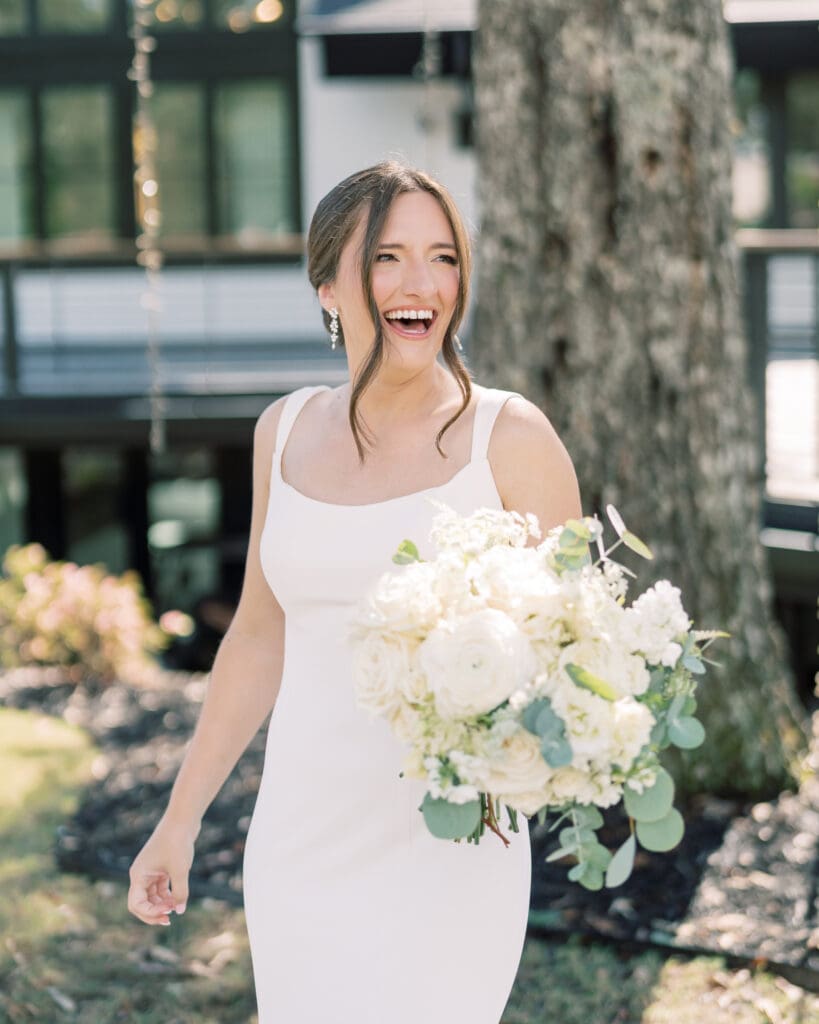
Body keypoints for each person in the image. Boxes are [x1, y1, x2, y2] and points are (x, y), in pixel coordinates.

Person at [127, 161, 582, 1023]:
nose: (423, 284)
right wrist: (179, 820)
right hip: (300, 834)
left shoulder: (509, 437)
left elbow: (576, 648)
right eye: (388, 257)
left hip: (449, 842)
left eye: (444, 257)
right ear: (328, 285)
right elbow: (259, 637)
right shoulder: (285, 430)